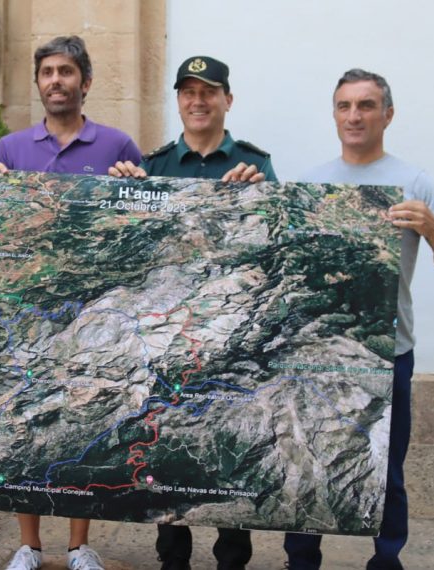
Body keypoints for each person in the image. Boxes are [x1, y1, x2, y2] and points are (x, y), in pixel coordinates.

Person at [282, 68, 434, 570]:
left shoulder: (414, 181)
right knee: (307, 458)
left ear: (388, 113)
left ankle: (386, 560)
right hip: (319, 351)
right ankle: (301, 559)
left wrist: (433, 229)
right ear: (334, 115)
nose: (354, 116)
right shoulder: (312, 182)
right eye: (344, 106)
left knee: (388, 467)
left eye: (366, 105)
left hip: (389, 352)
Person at [109, 55, 273, 570]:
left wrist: (262, 198)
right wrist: (120, 195)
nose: (198, 101)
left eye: (209, 91)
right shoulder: (154, 166)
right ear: (178, 99)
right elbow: (135, 254)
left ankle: (232, 556)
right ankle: (172, 556)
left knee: (230, 439)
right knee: (166, 443)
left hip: (231, 330)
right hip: (171, 333)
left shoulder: (255, 165)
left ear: (228, 99)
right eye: (188, 92)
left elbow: (272, 243)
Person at [0, 35, 141, 570]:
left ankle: (80, 546)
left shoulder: (118, 145)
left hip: (94, 310)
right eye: (48, 72)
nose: (56, 80)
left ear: (86, 82)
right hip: (29, 310)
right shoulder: (10, 150)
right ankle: (29, 545)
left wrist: (137, 188)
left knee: (89, 419)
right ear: (38, 82)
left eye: (67, 72)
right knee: (27, 421)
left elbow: (140, 222)